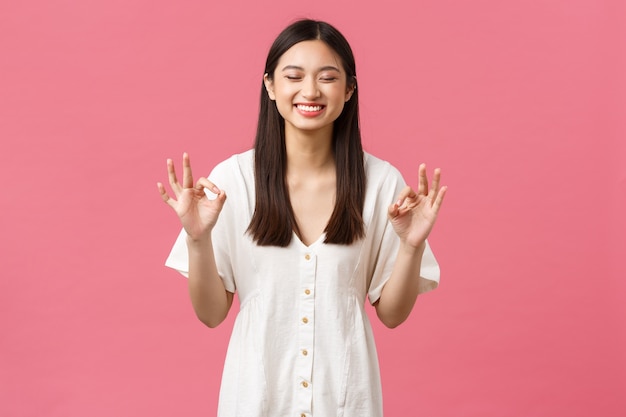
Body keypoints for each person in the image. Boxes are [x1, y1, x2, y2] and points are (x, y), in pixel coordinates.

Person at [157, 19, 447, 417]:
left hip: (346, 403)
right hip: (255, 402)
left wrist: (411, 248)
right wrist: (197, 240)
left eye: (327, 77)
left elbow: (392, 315)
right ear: (271, 86)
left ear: (349, 89)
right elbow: (211, 314)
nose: (310, 91)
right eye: (293, 76)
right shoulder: (232, 182)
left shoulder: (381, 183)